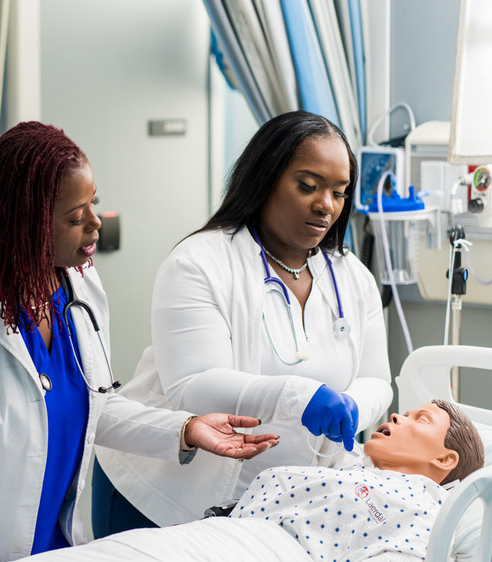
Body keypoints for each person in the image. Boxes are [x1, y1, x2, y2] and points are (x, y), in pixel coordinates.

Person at [0, 121, 279, 561]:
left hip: (43, 536)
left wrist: (185, 429)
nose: (94, 224)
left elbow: (93, 405)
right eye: (75, 217)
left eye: (94, 205)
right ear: (24, 224)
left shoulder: (78, 284)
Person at [94, 110, 394, 535]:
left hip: (276, 505)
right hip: (165, 492)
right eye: (308, 185)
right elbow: (193, 387)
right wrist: (297, 396)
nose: (326, 205)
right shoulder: (200, 263)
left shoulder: (351, 276)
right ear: (266, 178)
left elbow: (378, 380)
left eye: (339, 192)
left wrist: (352, 407)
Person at [28, 399, 486, 562]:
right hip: (220, 536)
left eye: (419, 418)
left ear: (446, 459)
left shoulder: (428, 509)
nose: (397, 415)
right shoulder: (349, 473)